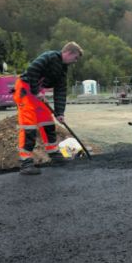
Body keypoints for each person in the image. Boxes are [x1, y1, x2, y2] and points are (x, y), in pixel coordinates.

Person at [13, 41, 83, 175]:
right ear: (69, 53)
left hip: (37, 92)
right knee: (29, 127)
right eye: (75, 58)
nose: (75, 61)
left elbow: (60, 91)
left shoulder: (63, 70)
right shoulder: (49, 56)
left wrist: (59, 113)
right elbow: (32, 70)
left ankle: (54, 155)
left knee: (47, 122)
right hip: (25, 89)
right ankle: (25, 162)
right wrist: (36, 91)